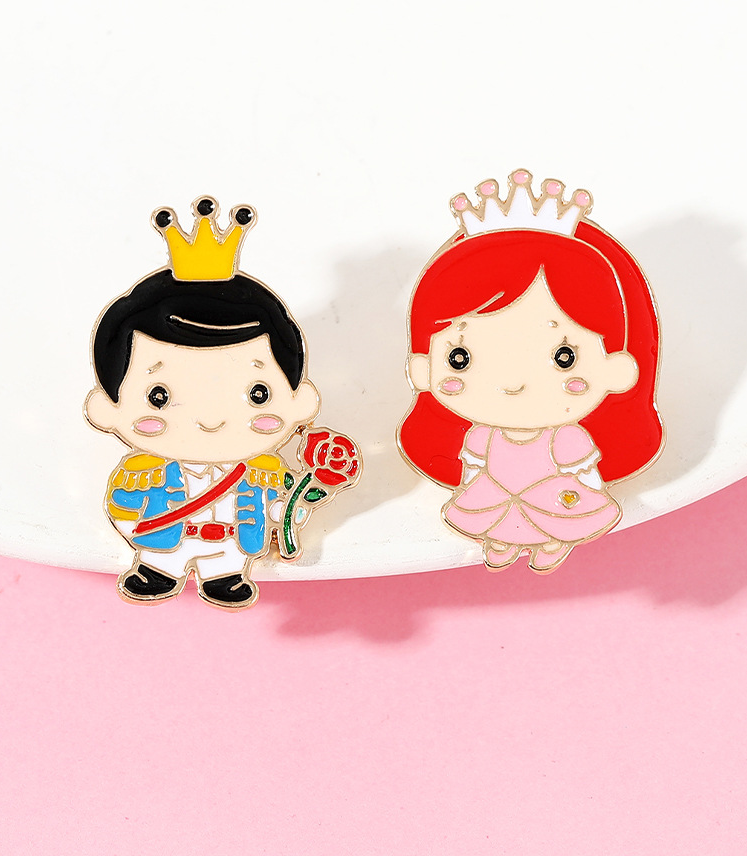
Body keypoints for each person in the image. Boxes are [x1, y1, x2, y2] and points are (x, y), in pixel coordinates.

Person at [397, 173, 663, 573]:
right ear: (422, 368)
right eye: (460, 358)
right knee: (497, 517)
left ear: (617, 368)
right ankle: (503, 540)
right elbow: (472, 470)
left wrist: (589, 498)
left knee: (556, 519)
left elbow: (587, 478)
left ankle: (554, 540)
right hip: (497, 501)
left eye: (563, 356)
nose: (513, 383)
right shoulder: (480, 437)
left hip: (558, 502)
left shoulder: (569, 439)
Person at [85, 198, 335, 609]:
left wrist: (300, 500)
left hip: (231, 546)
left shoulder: (264, 472)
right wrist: (131, 518)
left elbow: (282, 509)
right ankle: (158, 571)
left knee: (227, 565)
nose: (211, 418)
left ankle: (225, 577)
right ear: (106, 408)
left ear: (300, 400)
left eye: (258, 394)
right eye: (159, 396)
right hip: (165, 544)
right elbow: (123, 506)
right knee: (161, 560)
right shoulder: (142, 472)